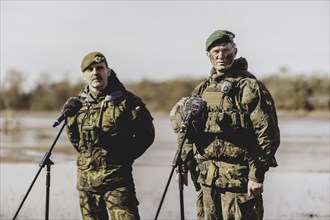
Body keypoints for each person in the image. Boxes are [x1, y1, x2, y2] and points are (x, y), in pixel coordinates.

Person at [172, 30, 280, 219]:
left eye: (225, 50)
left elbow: (267, 134)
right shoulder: (201, 90)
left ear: (235, 51)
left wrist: (256, 175)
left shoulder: (249, 87)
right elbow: (187, 133)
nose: (221, 56)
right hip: (207, 181)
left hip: (239, 183)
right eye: (216, 52)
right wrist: (182, 166)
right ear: (208, 56)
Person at [64, 51, 155, 220]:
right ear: (84, 75)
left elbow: (146, 135)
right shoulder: (77, 105)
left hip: (117, 182)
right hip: (87, 185)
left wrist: (125, 157)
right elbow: (74, 138)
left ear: (108, 71)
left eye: (99, 68)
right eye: (90, 70)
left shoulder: (127, 101)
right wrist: (89, 156)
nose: (95, 73)